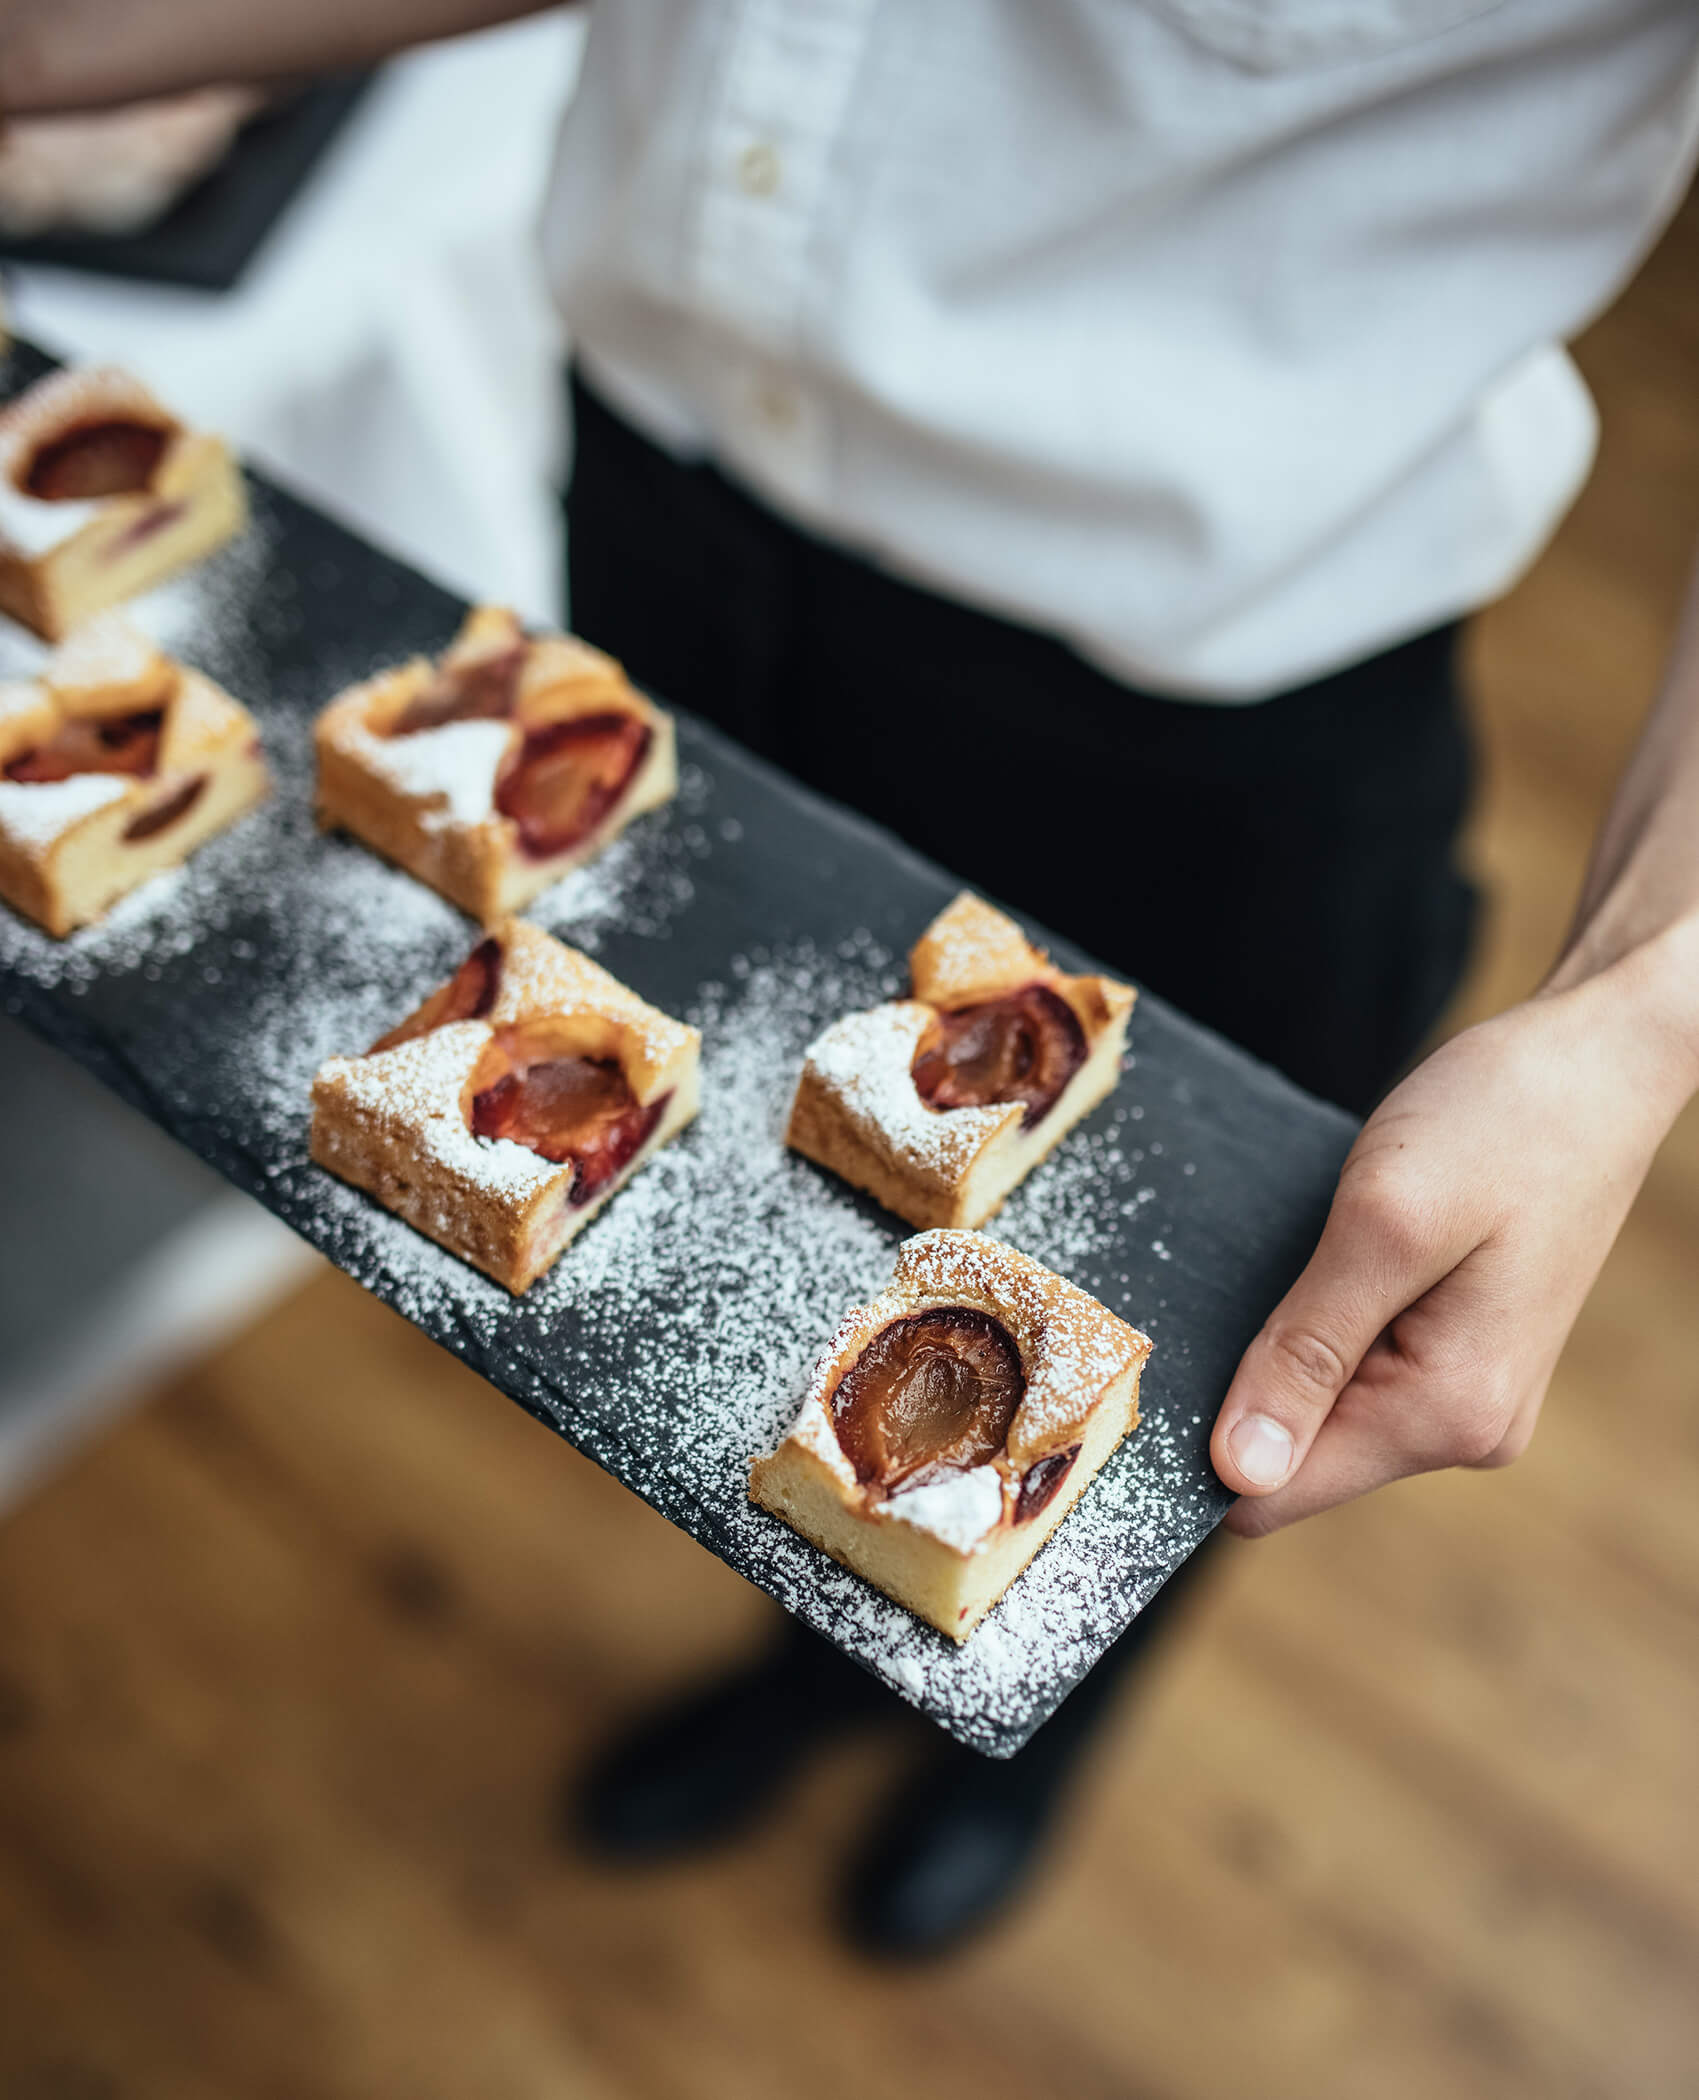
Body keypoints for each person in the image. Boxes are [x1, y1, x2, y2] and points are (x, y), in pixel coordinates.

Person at [14, 0, 1699, 1955]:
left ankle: (1010, 1745)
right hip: (663, 496)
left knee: (1180, 1397)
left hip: (1201, 697)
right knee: (766, 1251)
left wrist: (1646, 1000)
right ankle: (805, 1656)